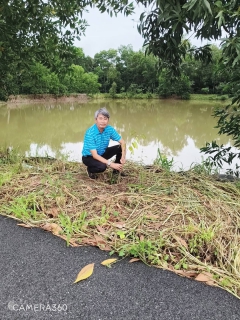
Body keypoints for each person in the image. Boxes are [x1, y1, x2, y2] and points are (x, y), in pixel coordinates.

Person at [82, 107, 126, 179]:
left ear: (108, 120)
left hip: (102, 153)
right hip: (89, 157)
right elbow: (95, 155)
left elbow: (123, 142)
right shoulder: (90, 133)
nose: (103, 121)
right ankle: (90, 170)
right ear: (96, 120)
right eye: (100, 118)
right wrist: (110, 164)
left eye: (105, 119)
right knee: (102, 167)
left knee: (120, 147)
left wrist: (123, 156)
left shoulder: (109, 129)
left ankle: (116, 171)